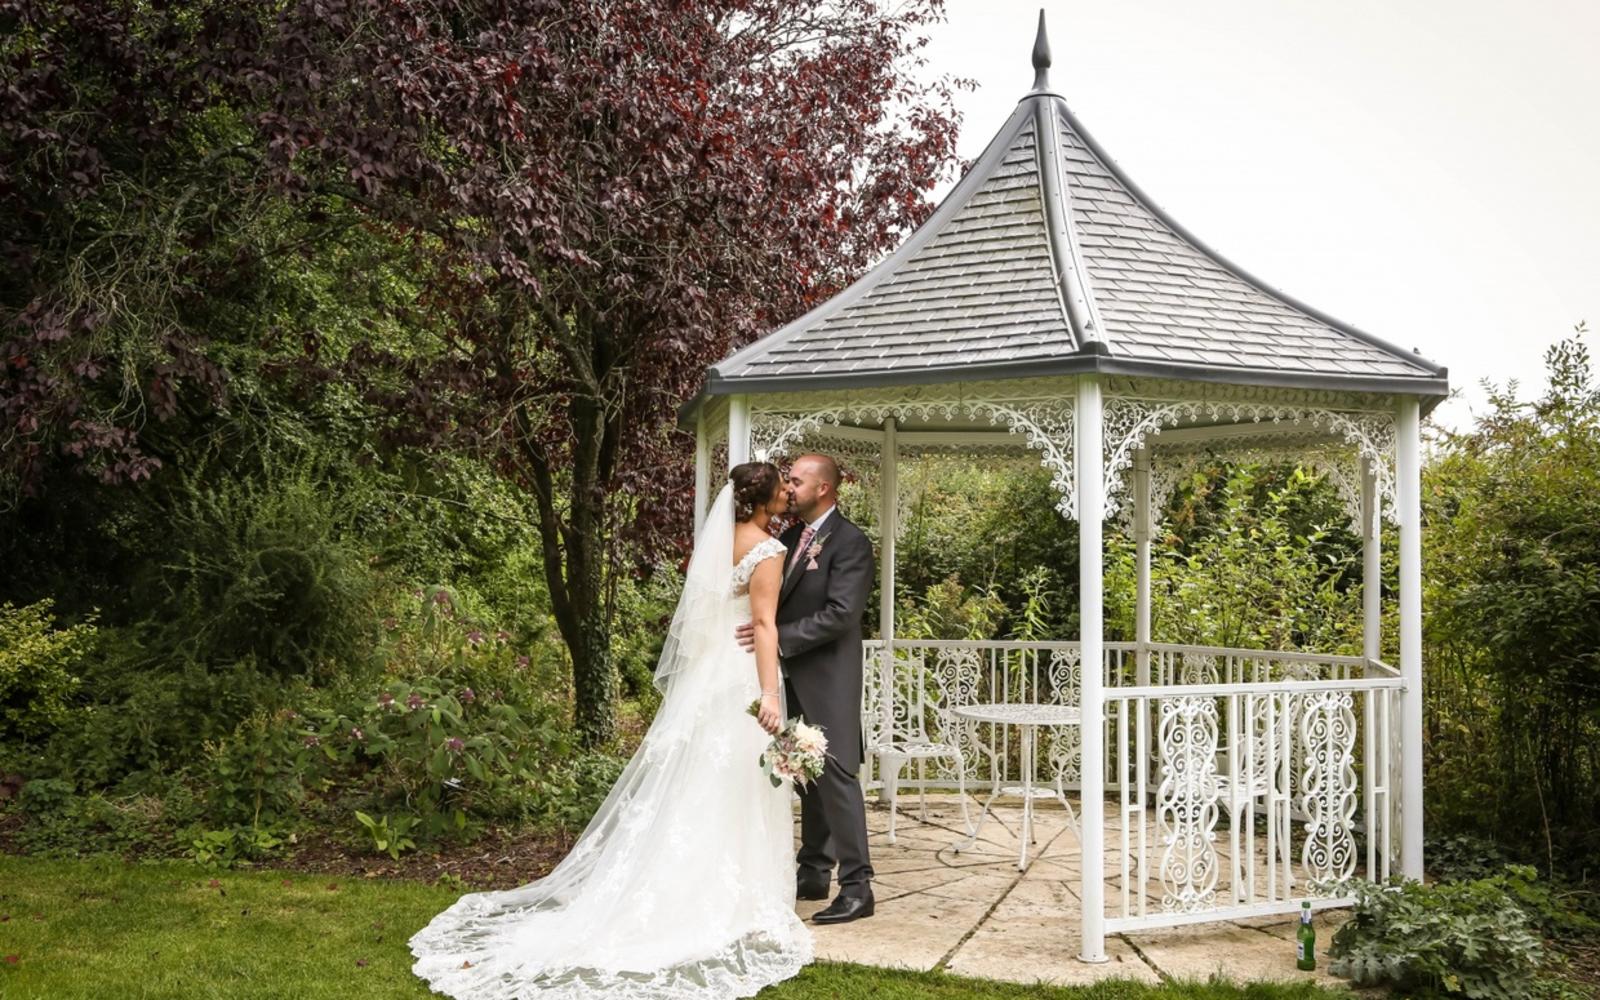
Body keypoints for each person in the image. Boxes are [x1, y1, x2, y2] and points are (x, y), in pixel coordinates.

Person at [409, 463, 812, 1000]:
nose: (790, 493)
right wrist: (769, 693)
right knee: (734, 785)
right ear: (763, 501)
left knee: (698, 786)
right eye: (783, 487)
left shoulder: (721, 543)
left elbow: (704, 616)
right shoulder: (768, 550)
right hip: (738, 679)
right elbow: (762, 624)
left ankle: (696, 891)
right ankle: (733, 903)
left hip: (708, 677)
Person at [737, 453, 876, 924]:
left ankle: (857, 888)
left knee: (837, 776)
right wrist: (761, 634)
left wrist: (778, 642)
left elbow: (842, 613)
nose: (788, 487)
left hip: (828, 675)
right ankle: (813, 870)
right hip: (787, 677)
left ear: (823, 488)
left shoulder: (851, 542)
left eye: (796, 480)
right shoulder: (789, 537)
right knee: (802, 775)